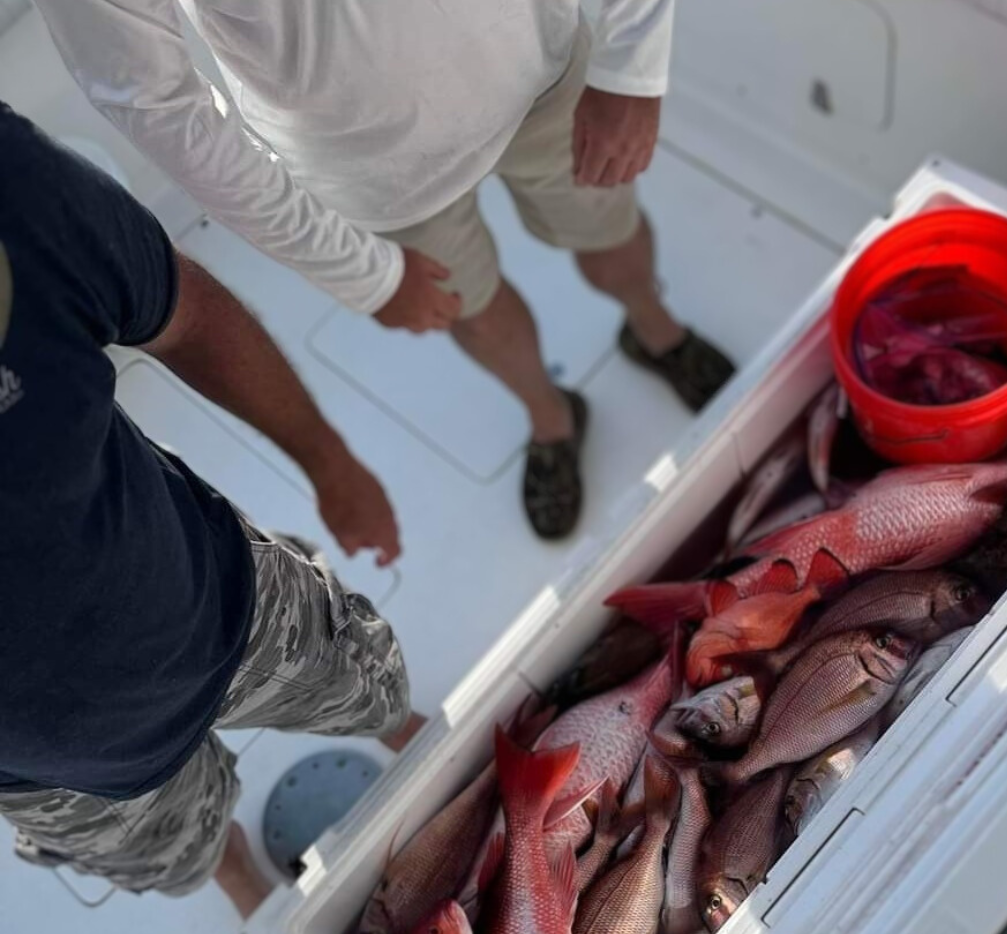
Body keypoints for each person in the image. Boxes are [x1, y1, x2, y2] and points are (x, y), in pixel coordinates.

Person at [34, 0, 736, 540]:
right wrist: (362, 274)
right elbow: (159, 106)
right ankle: (552, 419)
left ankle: (657, 330)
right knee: (472, 307)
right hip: (371, 164)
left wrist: (629, 63)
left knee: (611, 237)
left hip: (545, 67)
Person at [0, 104, 423, 919]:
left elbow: (182, 312)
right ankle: (236, 876)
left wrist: (328, 461)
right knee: (186, 853)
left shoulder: (13, 186)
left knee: (371, 683)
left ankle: (406, 729)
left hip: (219, 592)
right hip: (58, 774)